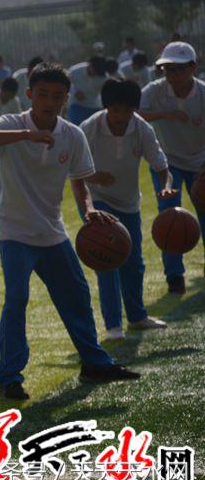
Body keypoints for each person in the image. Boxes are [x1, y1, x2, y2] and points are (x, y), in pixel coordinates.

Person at [0, 62, 140, 401]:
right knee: (16, 298)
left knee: (76, 295)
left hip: (52, 230)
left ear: (66, 99)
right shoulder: (11, 124)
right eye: (43, 94)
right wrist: (26, 135)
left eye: (58, 96)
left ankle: (93, 362)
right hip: (15, 230)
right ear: (30, 94)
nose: (50, 101)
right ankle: (9, 378)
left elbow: (79, 180)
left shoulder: (72, 134)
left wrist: (89, 209)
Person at [80, 79, 174, 340]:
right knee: (106, 261)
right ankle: (113, 326)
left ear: (135, 109)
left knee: (133, 262)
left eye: (127, 110)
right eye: (115, 110)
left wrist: (166, 186)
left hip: (129, 202)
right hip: (98, 202)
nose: (121, 116)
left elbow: (162, 166)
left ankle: (137, 317)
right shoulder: (89, 128)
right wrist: (96, 177)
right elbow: (74, 169)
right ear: (107, 107)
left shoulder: (141, 128)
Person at [138, 41, 205, 295]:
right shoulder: (154, 91)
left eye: (177, 69)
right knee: (170, 218)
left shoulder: (203, 93)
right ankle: (174, 276)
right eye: (167, 69)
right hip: (167, 163)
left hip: (201, 162)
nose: (172, 75)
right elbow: (136, 113)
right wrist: (166, 114)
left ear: (192, 68)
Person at [67, 56, 115, 126]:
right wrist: (74, 92)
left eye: (97, 73)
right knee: (76, 125)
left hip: (94, 106)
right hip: (76, 104)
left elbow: (107, 94)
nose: (95, 74)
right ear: (90, 65)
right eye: (94, 71)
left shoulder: (104, 78)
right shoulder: (75, 70)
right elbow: (66, 82)